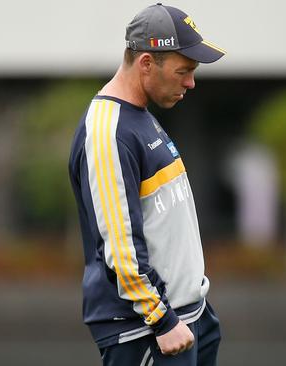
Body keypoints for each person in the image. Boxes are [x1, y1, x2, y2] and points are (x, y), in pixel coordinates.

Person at [68, 3, 226, 365]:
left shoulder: (138, 116)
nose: (191, 82)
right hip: (149, 331)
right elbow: (119, 244)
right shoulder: (109, 131)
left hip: (188, 317)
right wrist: (162, 319)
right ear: (146, 64)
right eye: (183, 71)